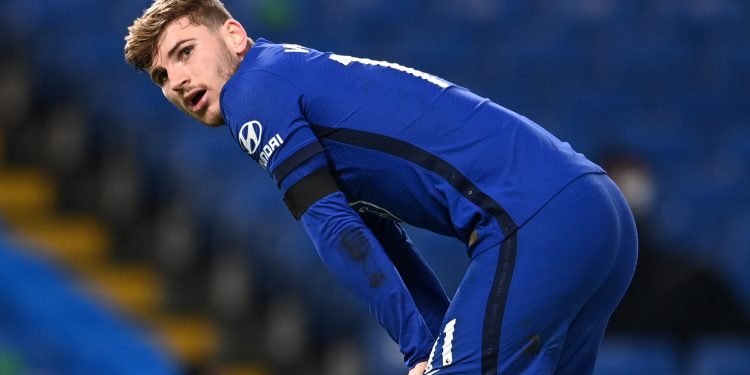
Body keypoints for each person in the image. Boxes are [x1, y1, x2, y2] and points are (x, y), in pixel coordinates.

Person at [124, 1, 638, 373]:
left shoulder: (251, 90)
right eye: (161, 77)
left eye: (185, 52)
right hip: (595, 209)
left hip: (532, 220)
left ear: (234, 36)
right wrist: (431, 345)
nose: (176, 81)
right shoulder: (293, 74)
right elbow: (382, 234)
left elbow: (333, 228)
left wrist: (419, 353)